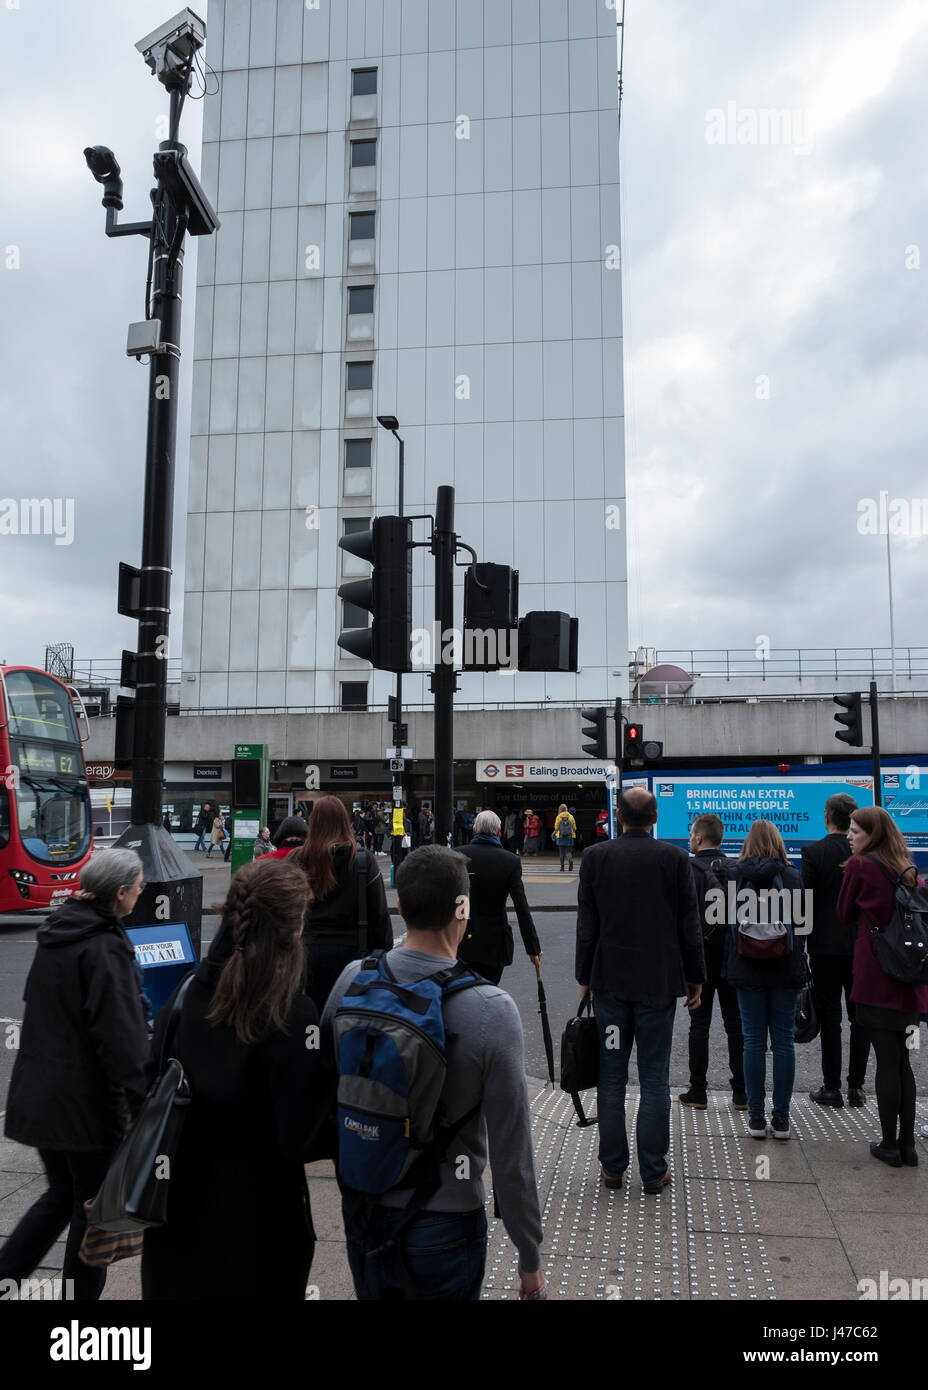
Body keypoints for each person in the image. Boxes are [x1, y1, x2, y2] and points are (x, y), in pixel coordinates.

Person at [322, 845, 546, 1301]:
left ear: (400, 906)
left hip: (364, 1205)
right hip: (445, 1218)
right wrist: (529, 1256)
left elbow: (331, 1084)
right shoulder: (490, 1009)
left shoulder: (352, 978)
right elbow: (512, 1153)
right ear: (462, 908)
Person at [142, 858, 331, 1299]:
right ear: (291, 930)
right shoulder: (290, 1014)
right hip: (260, 1230)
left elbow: (150, 1079)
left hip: (176, 1219)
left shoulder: (187, 992)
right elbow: (301, 1136)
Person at [0, 850, 150, 1300]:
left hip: (42, 1096)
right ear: (120, 893)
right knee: (93, 1213)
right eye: (138, 886)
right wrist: (141, 1104)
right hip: (84, 1107)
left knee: (61, 1198)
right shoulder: (104, 946)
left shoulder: (58, 932)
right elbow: (121, 1038)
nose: (142, 892)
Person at [576, 788, 704, 1194]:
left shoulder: (596, 857)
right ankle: (653, 1170)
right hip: (657, 983)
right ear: (655, 818)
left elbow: (587, 924)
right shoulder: (673, 859)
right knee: (654, 1076)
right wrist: (695, 976)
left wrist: (585, 977)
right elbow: (689, 923)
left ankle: (612, 1168)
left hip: (610, 983)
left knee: (611, 1075)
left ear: (618, 816)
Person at [837, 806, 928, 1167]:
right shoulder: (907, 868)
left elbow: (843, 913)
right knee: (903, 1060)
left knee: (886, 1061)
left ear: (871, 834)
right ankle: (908, 1146)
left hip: (878, 978)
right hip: (910, 981)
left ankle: (889, 1144)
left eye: (855, 831)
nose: (849, 836)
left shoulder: (861, 866)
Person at [726, 820, 805, 1141]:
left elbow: (727, 923)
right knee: (784, 1042)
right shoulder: (792, 876)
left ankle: (756, 1119)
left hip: (747, 967)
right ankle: (782, 1120)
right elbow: (803, 925)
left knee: (753, 1042)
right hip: (785, 968)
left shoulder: (735, 875)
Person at [291, 794, 393, 1013]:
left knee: (311, 1019)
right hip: (353, 954)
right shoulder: (362, 860)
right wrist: (381, 952)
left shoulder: (297, 860)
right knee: (346, 1021)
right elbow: (380, 914)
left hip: (305, 954)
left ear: (313, 823)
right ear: (344, 822)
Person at [801, 793, 869, 1108]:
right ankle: (857, 1086)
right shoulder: (865, 856)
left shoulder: (814, 853)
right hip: (860, 947)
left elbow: (805, 904)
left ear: (827, 815)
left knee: (830, 1016)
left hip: (825, 946)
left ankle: (832, 1086)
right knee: (860, 1017)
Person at [678, 814, 746, 1110]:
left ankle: (698, 1091)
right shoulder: (737, 869)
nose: (690, 838)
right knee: (736, 1026)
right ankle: (741, 1093)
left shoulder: (688, 870)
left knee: (699, 1026)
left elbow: (681, 919)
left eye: (692, 834)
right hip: (734, 957)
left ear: (700, 838)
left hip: (700, 960)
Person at [456, 810, 541, 985]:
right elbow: (521, 907)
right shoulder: (510, 861)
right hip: (494, 943)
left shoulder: (458, 856)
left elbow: (451, 900)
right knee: (488, 993)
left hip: (461, 941)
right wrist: (533, 949)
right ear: (499, 832)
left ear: (474, 830)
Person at [554, 803, 577, 872]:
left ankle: (562, 867)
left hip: (560, 836)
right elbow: (574, 828)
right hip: (569, 836)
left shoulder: (558, 817)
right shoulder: (571, 817)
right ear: (566, 809)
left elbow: (556, 827)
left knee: (561, 852)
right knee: (568, 851)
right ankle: (570, 860)